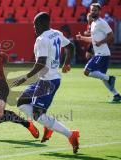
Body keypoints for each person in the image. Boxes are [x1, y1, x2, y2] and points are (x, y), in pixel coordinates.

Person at [12, 12, 80, 154]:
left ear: (43, 24)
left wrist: (24, 77)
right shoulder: (56, 33)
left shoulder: (42, 39)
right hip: (44, 79)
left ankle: (70, 134)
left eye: (35, 25)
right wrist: (67, 63)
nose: (34, 28)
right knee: (22, 102)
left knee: (38, 115)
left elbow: (41, 64)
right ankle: (48, 125)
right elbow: (71, 47)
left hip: (47, 81)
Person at [76, 3, 121, 102]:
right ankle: (117, 95)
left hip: (102, 53)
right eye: (92, 10)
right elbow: (93, 39)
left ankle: (110, 77)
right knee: (103, 78)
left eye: (95, 10)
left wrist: (101, 42)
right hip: (100, 53)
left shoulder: (102, 23)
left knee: (87, 71)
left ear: (100, 12)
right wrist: (82, 38)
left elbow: (111, 36)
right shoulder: (93, 23)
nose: (93, 12)